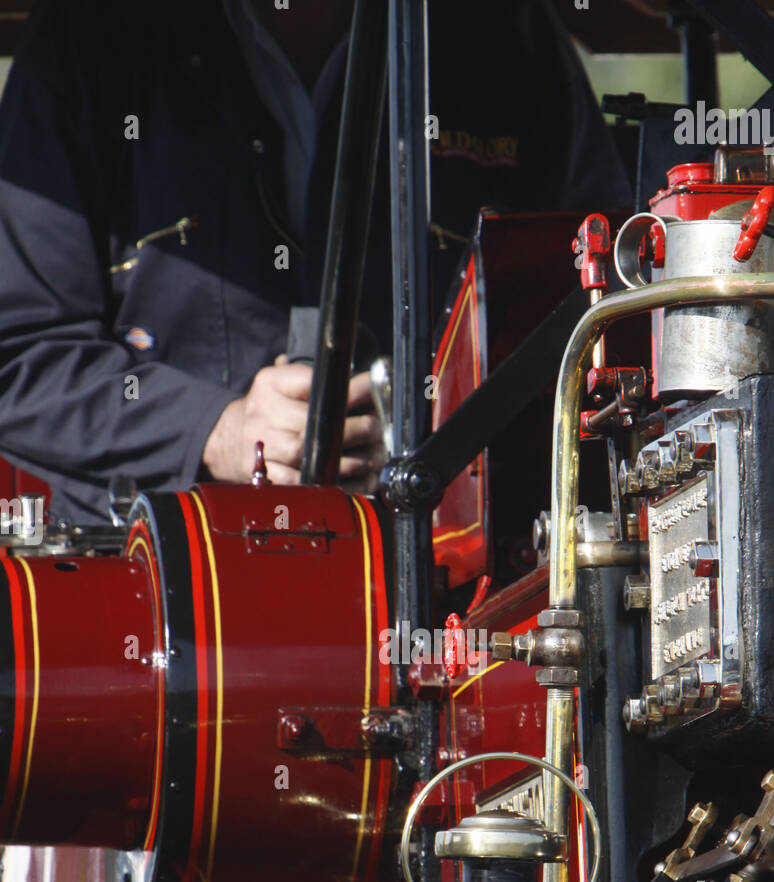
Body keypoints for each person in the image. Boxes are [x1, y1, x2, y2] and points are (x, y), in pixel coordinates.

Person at [0, 0, 631, 523]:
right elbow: (18, 353)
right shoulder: (93, 31)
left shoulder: (504, 30)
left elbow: (609, 304)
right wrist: (214, 431)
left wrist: (450, 428)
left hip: (456, 596)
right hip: (160, 596)